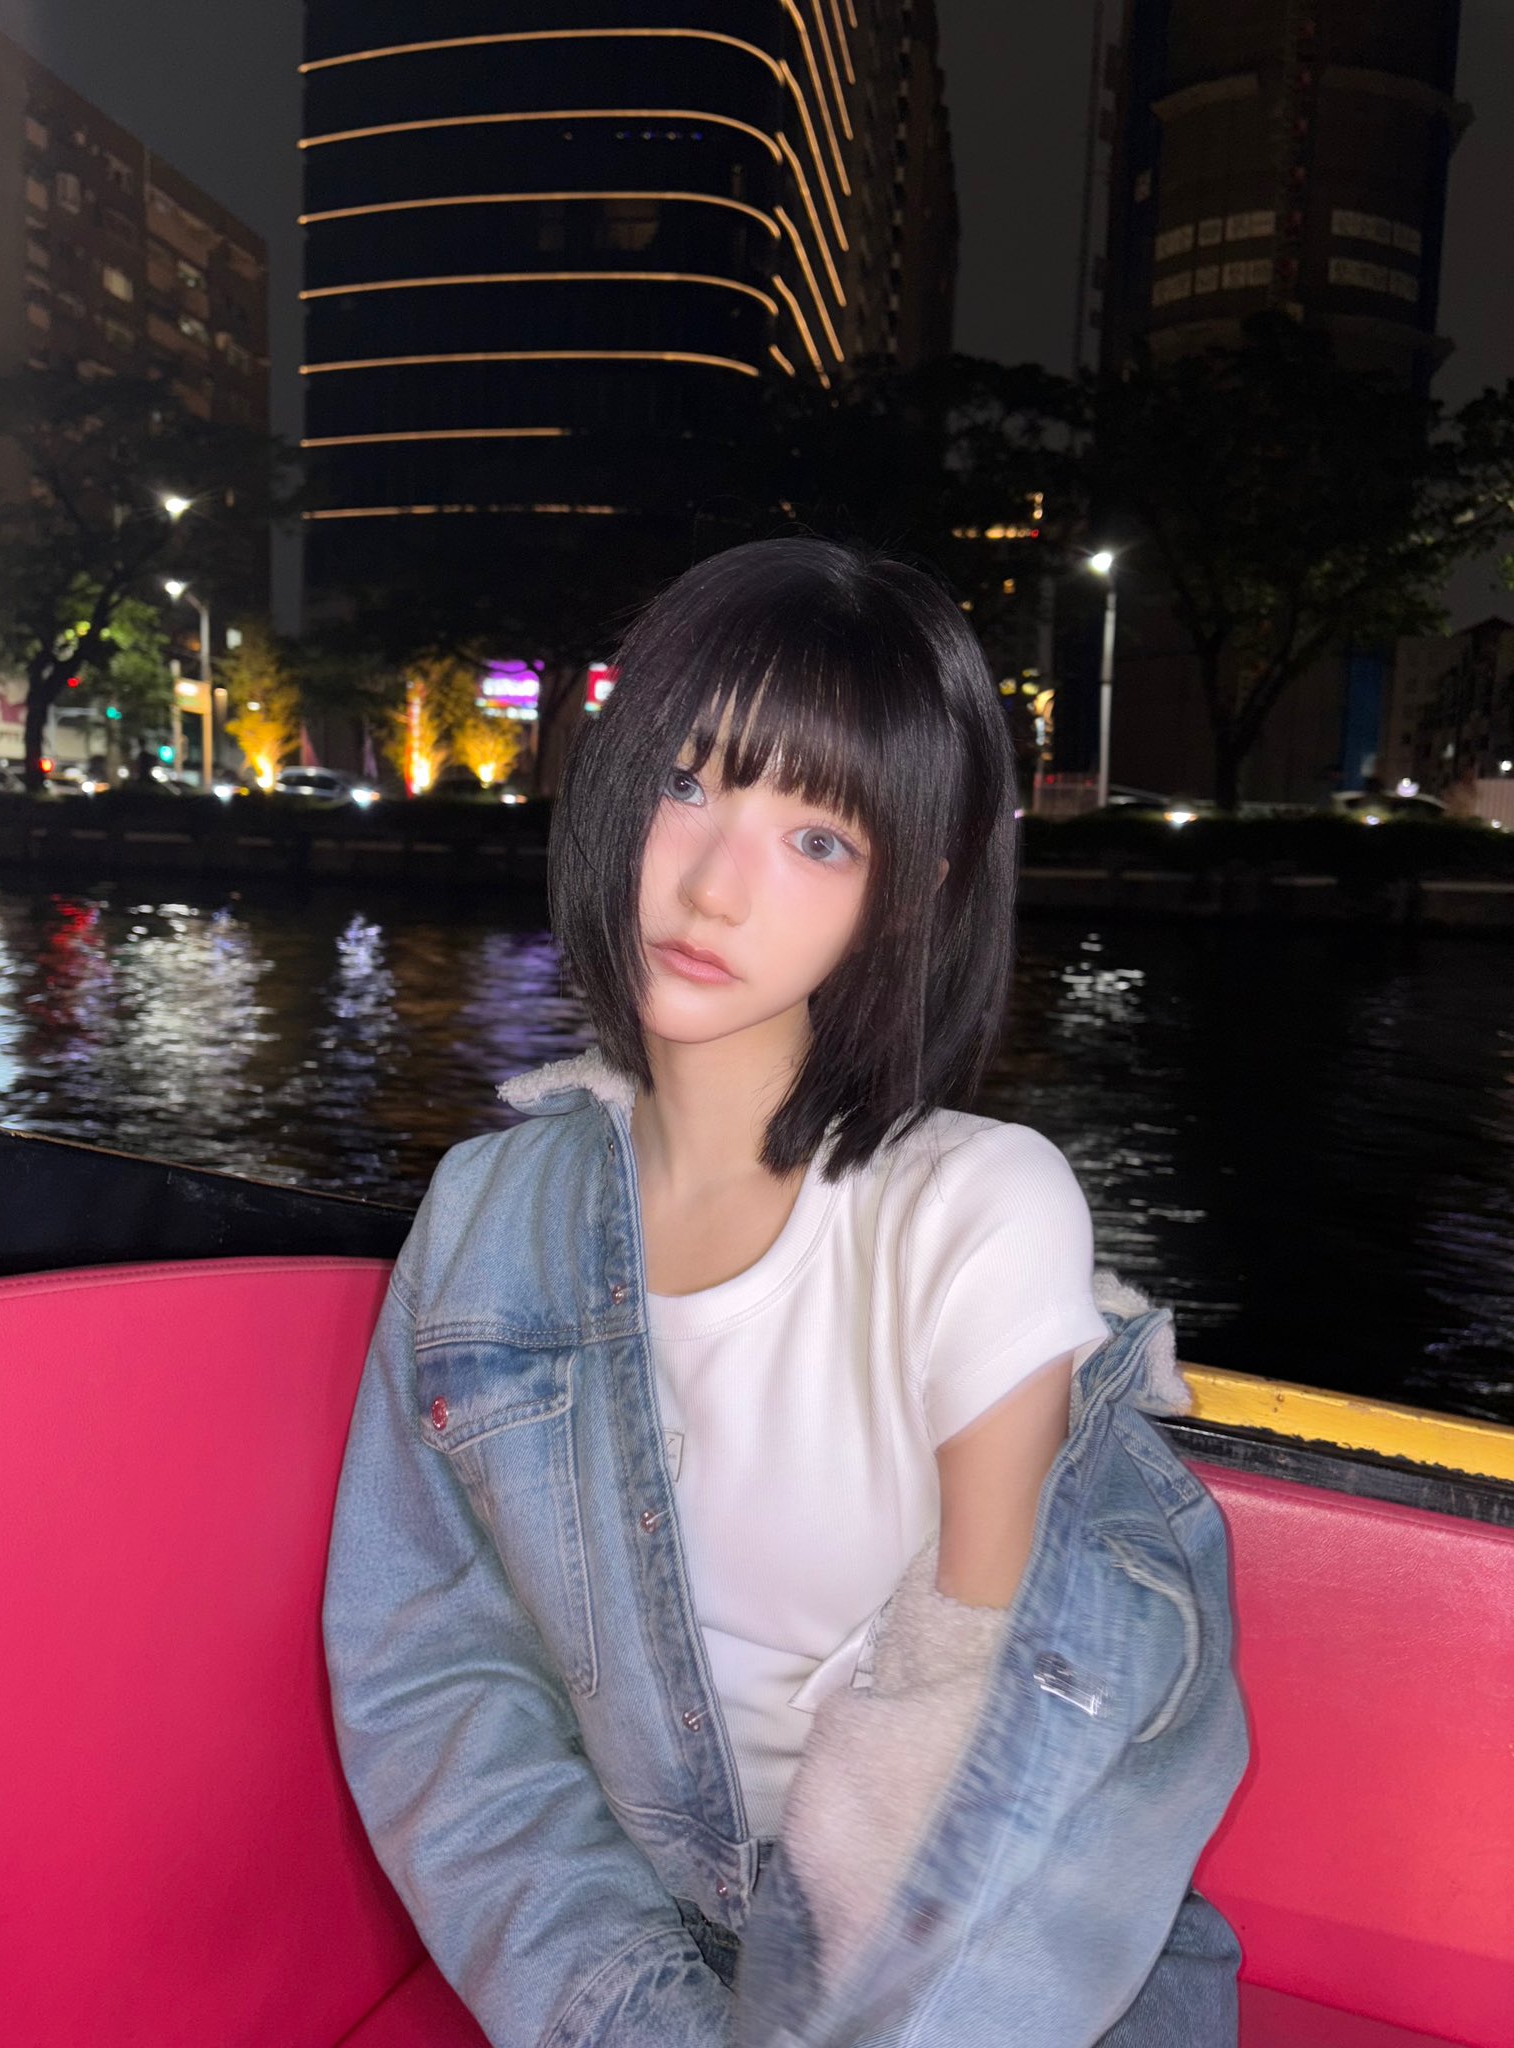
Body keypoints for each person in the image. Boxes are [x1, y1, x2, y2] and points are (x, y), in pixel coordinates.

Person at [323, 539, 1248, 2048]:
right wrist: (629, 2010)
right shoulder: (486, 1219)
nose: (711, 884)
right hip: (640, 1947)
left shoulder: (974, 1207)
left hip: (1002, 1960)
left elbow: (989, 1726)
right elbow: (437, 1679)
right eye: (685, 784)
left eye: (818, 838)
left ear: (910, 889)